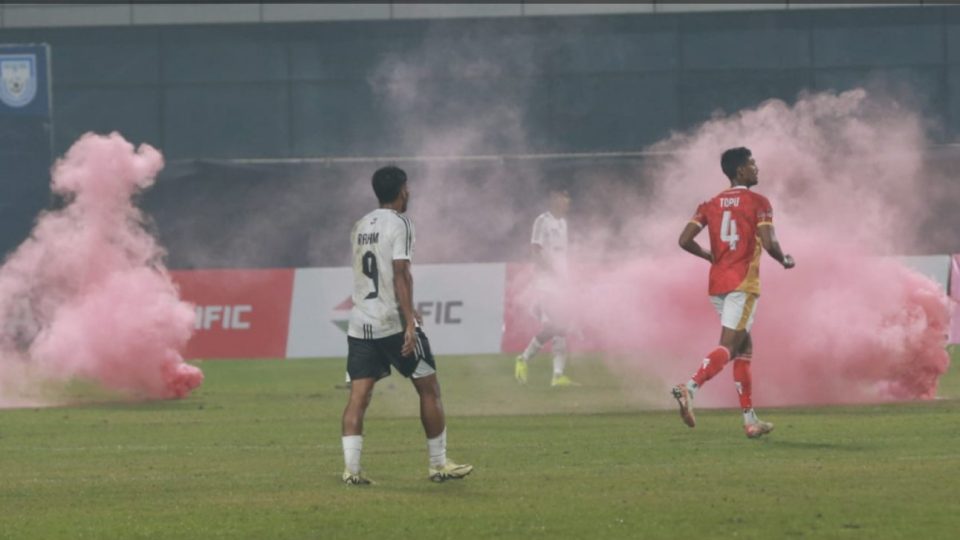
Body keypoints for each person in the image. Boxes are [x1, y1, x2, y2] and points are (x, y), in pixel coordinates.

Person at [341, 165, 473, 485]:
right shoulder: (401, 223)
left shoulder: (359, 225)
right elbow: (401, 273)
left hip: (360, 323)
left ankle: (351, 471)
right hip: (392, 321)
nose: (409, 192)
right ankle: (438, 464)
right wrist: (410, 319)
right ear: (401, 190)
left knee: (359, 397)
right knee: (429, 388)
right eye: (407, 187)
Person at [673, 147, 795, 438]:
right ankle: (689, 387)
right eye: (752, 164)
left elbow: (684, 240)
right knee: (729, 346)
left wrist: (709, 256)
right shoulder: (758, 202)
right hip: (743, 284)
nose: (757, 169)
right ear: (740, 171)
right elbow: (768, 241)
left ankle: (750, 421)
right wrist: (784, 259)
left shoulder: (711, 204)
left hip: (717, 285)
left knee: (743, 348)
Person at [514, 186, 579, 387]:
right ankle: (522, 359)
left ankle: (557, 375)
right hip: (546, 284)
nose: (566, 202)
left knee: (561, 329)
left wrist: (566, 278)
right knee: (556, 325)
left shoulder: (564, 224)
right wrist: (551, 272)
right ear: (554, 199)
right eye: (563, 197)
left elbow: (562, 256)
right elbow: (536, 250)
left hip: (561, 284)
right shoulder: (543, 221)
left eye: (568, 198)